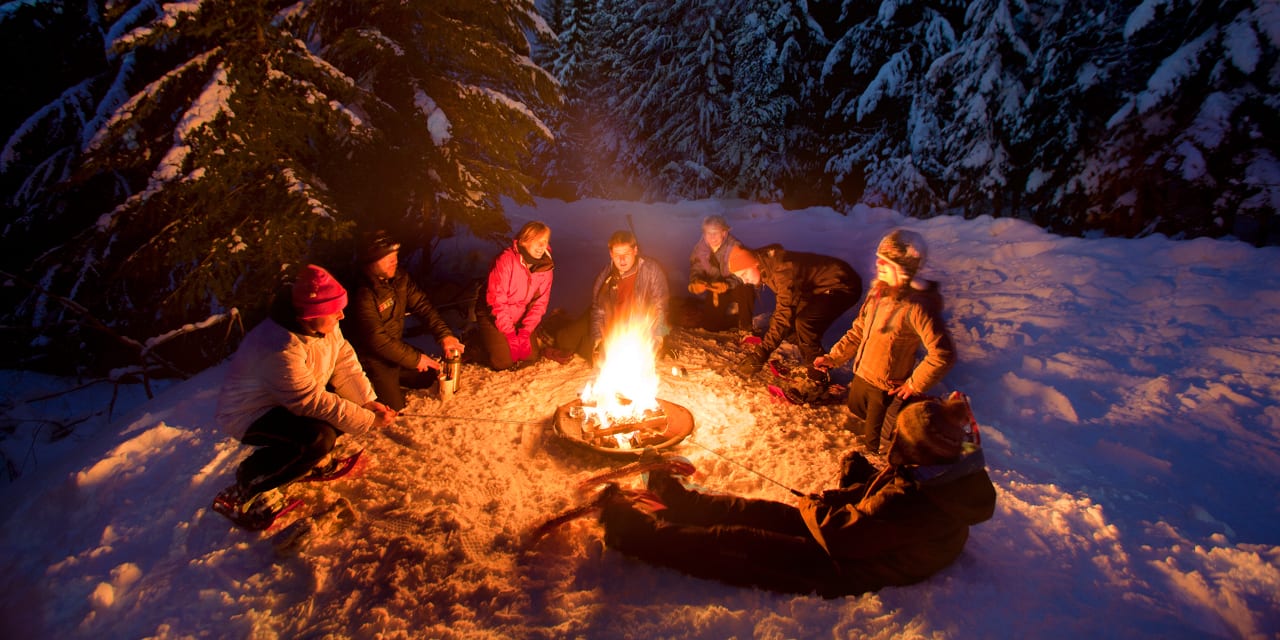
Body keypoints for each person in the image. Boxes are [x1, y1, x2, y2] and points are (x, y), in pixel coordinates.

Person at [596, 394, 996, 597]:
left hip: (848, 567)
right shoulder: (937, 468)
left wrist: (814, 506)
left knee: (738, 542)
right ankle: (683, 504)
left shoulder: (923, 503)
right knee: (758, 511)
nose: (892, 443)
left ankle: (632, 535)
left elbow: (848, 537)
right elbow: (885, 491)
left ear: (914, 449)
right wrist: (843, 495)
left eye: (898, 440)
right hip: (858, 535)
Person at [213, 264, 397, 527]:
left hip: (286, 400)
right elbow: (311, 401)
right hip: (249, 413)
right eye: (335, 311)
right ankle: (254, 479)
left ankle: (307, 460)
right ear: (311, 314)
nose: (342, 316)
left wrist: (366, 402)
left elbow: (343, 361)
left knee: (341, 413)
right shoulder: (278, 346)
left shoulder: (324, 326)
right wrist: (366, 419)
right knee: (318, 438)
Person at [814, 229, 956, 454]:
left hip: (885, 387)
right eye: (879, 257)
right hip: (862, 374)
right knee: (855, 407)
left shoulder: (916, 306)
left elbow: (942, 353)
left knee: (876, 444)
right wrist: (833, 357)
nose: (878, 263)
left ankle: (910, 430)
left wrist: (913, 384)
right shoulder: (878, 295)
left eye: (886, 260)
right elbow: (859, 330)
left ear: (903, 269)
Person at [346, 230, 466, 411]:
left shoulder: (399, 278)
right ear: (370, 261)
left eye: (395, 255)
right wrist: (416, 359)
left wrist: (444, 335)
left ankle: (397, 375)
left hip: (393, 350)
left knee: (431, 375)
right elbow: (376, 340)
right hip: (370, 359)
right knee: (393, 408)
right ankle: (367, 384)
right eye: (387, 258)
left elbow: (422, 306)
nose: (394, 261)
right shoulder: (362, 292)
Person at [727, 244, 862, 376]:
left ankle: (817, 375)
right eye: (741, 277)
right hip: (815, 287)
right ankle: (817, 361)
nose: (744, 281)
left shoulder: (782, 270)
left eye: (744, 274)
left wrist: (760, 354)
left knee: (804, 323)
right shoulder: (765, 266)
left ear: (754, 264)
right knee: (788, 325)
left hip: (843, 285)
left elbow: (784, 313)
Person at [554, 230, 670, 364]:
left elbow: (661, 305)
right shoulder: (605, 276)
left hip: (639, 326)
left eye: (626, 254)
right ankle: (557, 324)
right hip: (611, 324)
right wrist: (598, 339)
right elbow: (598, 310)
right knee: (565, 341)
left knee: (636, 359)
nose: (622, 260)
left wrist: (659, 336)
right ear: (611, 254)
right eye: (617, 255)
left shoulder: (651, 270)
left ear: (635, 250)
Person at [476, 221, 554, 370]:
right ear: (524, 241)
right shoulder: (506, 261)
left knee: (530, 357)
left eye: (544, 242)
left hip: (520, 314)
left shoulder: (546, 266)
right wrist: (510, 334)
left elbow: (540, 303)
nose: (541, 246)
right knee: (504, 362)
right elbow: (496, 301)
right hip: (492, 313)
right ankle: (479, 341)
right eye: (536, 241)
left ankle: (511, 339)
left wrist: (525, 331)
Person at [688, 215, 755, 332]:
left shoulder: (734, 246)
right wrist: (696, 281)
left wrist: (727, 284)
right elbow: (696, 267)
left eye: (716, 233)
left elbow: (745, 275)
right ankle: (728, 321)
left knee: (746, 289)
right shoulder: (700, 249)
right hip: (715, 289)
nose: (712, 237)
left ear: (724, 233)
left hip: (736, 288)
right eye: (708, 233)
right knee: (710, 326)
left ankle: (746, 328)